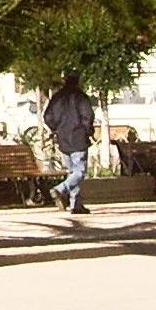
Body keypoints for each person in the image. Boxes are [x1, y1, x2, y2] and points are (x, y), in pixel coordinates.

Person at [42, 71, 95, 215]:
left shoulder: (57, 97)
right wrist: (87, 131)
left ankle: (76, 204)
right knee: (80, 171)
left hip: (63, 137)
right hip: (78, 137)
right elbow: (88, 116)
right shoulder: (80, 97)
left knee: (72, 171)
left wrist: (56, 128)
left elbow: (47, 116)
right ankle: (60, 189)